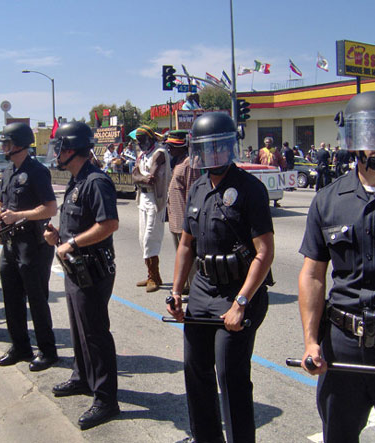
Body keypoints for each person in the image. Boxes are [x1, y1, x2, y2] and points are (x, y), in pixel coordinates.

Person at [298, 91, 375, 443]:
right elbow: (313, 274)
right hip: (342, 348)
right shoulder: (328, 200)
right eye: (374, 134)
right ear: (355, 140)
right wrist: (311, 342)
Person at [168, 112, 274, 443]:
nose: (212, 154)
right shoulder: (197, 187)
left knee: (230, 375)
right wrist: (175, 293)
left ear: (230, 147)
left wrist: (242, 303)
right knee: (195, 371)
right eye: (205, 148)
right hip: (202, 290)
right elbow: (186, 244)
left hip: (238, 293)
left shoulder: (250, 190)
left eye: (219, 147)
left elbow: (264, 252)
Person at [44, 121, 120, 430]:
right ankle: (82, 377)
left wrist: (72, 243)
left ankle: (105, 399)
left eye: (59, 147)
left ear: (71, 149)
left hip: (92, 268)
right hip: (75, 267)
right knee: (78, 327)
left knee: (95, 332)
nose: (56, 153)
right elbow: (79, 222)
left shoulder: (95, 181)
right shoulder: (76, 181)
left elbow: (109, 224)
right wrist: (59, 236)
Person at [0, 122, 58, 371]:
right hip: (10, 244)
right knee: (11, 297)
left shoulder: (36, 171)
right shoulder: (8, 172)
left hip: (33, 244)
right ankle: (20, 346)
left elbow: (49, 208)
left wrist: (18, 215)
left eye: (6, 143)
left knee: (36, 299)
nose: (2, 147)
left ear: (19, 144)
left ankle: (47, 351)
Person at [132, 125, 171, 292]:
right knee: (142, 239)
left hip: (156, 200)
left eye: (143, 140)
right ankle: (152, 275)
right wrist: (142, 178)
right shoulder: (142, 155)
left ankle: (154, 277)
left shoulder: (159, 153)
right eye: (138, 141)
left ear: (151, 139)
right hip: (143, 199)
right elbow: (134, 176)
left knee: (150, 238)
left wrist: (141, 177)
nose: (140, 144)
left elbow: (152, 179)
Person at [165, 130, 200, 295]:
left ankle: (194, 289)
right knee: (181, 257)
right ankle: (185, 285)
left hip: (184, 221)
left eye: (172, 146)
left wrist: (190, 221)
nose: (169, 149)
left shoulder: (189, 163)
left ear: (182, 147)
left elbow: (191, 194)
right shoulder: (178, 161)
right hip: (175, 219)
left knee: (189, 258)